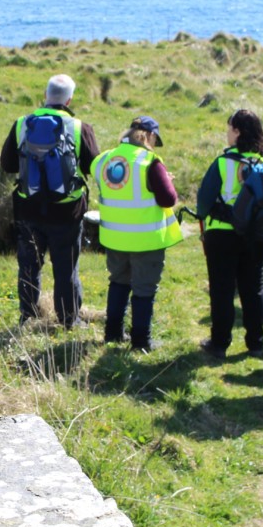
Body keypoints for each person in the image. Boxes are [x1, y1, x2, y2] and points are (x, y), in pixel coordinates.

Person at [0, 75, 99, 327]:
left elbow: (7, 164)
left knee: (29, 266)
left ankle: (28, 317)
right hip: (67, 211)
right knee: (66, 269)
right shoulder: (79, 127)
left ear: (45, 95)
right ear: (69, 99)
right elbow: (94, 166)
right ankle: (69, 320)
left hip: (28, 208)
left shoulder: (22, 124)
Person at [91, 116, 182, 352]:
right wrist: (168, 182)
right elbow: (167, 198)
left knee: (118, 283)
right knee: (144, 289)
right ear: (149, 136)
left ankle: (113, 334)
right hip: (145, 239)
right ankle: (141, 342)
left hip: (114, 237)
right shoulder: (150, 162)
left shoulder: (104, 160)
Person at [195, 110, 263, 359]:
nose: (227, 133)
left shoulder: (223, 162)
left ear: (238, 131)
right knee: (253, 288)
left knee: (222, 289)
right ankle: (256, 344)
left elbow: (203, 204)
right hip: (256, 236)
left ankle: (219, 344)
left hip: (222, 235)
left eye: (229, 128)